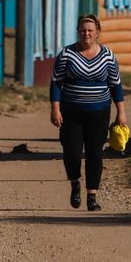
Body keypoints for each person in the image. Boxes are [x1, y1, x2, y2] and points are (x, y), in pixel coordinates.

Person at [49, 13, 126, 211]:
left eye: (90, 30)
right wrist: (55, 109)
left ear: (98, 32)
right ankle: (75, 183)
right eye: (83, 30)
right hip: (71, 113)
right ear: (78, 31)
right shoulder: (67, 54)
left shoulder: (108, 55)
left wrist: (121, 112)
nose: (86, 34)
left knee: (95, 154)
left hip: (99, 112)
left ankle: (92, 196)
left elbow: (115, 85)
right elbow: (56, 83)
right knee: (72, 152)